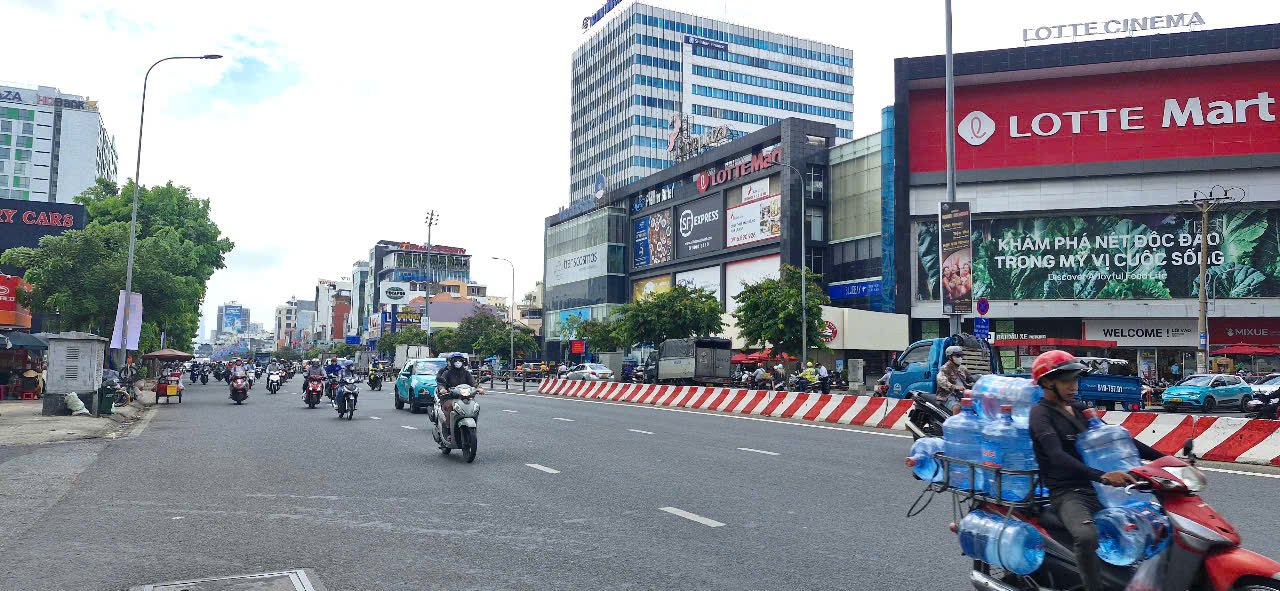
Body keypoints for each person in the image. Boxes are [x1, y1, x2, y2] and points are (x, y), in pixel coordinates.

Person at [1028, 350, 1166, 591]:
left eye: (1075, 380)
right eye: (1066, 381)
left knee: (1155, 523)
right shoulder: (1040, 414)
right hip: (1068, 493)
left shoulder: (1079, 408)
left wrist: (1165, 459)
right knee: (1087, 537)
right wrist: (1102, 476)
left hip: (1098, 488)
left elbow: (1116, 439)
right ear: (1048, 383)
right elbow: (1056, 456)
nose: (1073, 386)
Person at [434, 353, 482, 437]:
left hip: (464, 397)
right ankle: (449, 431)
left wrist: (478, 388)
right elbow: (441, 383)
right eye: (455, 360)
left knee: (475, 406)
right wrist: (442, 389)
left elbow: (473, 382)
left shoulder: (466, 373)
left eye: (460, 360)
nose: (458, 362)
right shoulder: (447, 373)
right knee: (450, 407)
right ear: (451, 362)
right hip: (449, 397)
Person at [936, 345, 970, 413]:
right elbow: (941, 380)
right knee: (957, 408)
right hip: (948, 396)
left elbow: (971, 378)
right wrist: (954, 387)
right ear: (950, 357)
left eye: (961, 356)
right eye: (957, 356)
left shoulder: (962, 368)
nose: (960, 358)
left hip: (962, 395)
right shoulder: (945, 368)